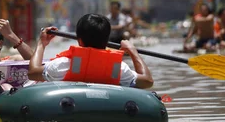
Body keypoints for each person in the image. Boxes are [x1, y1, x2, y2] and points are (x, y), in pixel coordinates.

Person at [26, 13, 154, 89]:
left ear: (79, 41)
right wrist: (132, 51)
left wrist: (41, 43)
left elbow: (32, 72)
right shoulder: (119, 68)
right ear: (106, 40)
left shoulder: (63, 65)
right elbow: (147, 81)